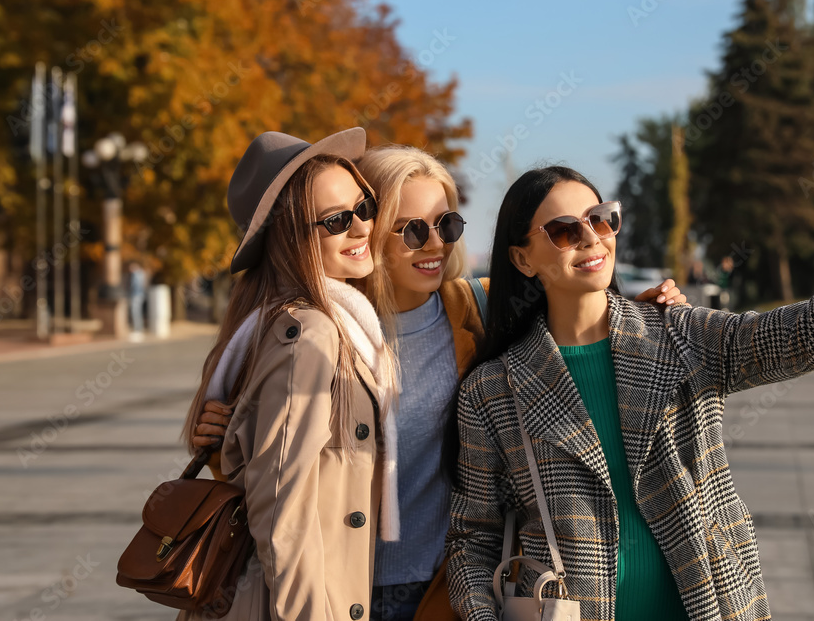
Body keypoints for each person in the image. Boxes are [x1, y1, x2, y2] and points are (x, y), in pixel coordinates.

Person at [194, 148, 687, 621]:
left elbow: (577, 304)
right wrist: (220, 438)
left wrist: (646, 313)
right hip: (334, 587)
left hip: (438, 588)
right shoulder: (315, 332)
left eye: (447, 224)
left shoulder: (477, 311)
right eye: (411, 230)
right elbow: (271, 476)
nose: (435, 243)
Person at [445, 166, 814, 621]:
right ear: (523, 259)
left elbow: (799, 338)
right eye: (563, 231)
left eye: (600, 218)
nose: (591, 238)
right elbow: (473, 539)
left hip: (712, 605)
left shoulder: (680, 334)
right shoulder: (493, 391)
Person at [179, 127, 400, 621]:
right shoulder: (311, 335)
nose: (362, 228)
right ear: (290, 235)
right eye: (336, 220)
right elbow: (284, 510)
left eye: (363, 207)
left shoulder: (288, 325)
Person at [129, 262, 147, 335]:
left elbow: (135, 286)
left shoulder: (136, 275)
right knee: (138, 312)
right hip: (140, 295)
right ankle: (139, 328)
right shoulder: (142, 274)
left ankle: (138, 328)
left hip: (136, 295)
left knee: (135, 312)